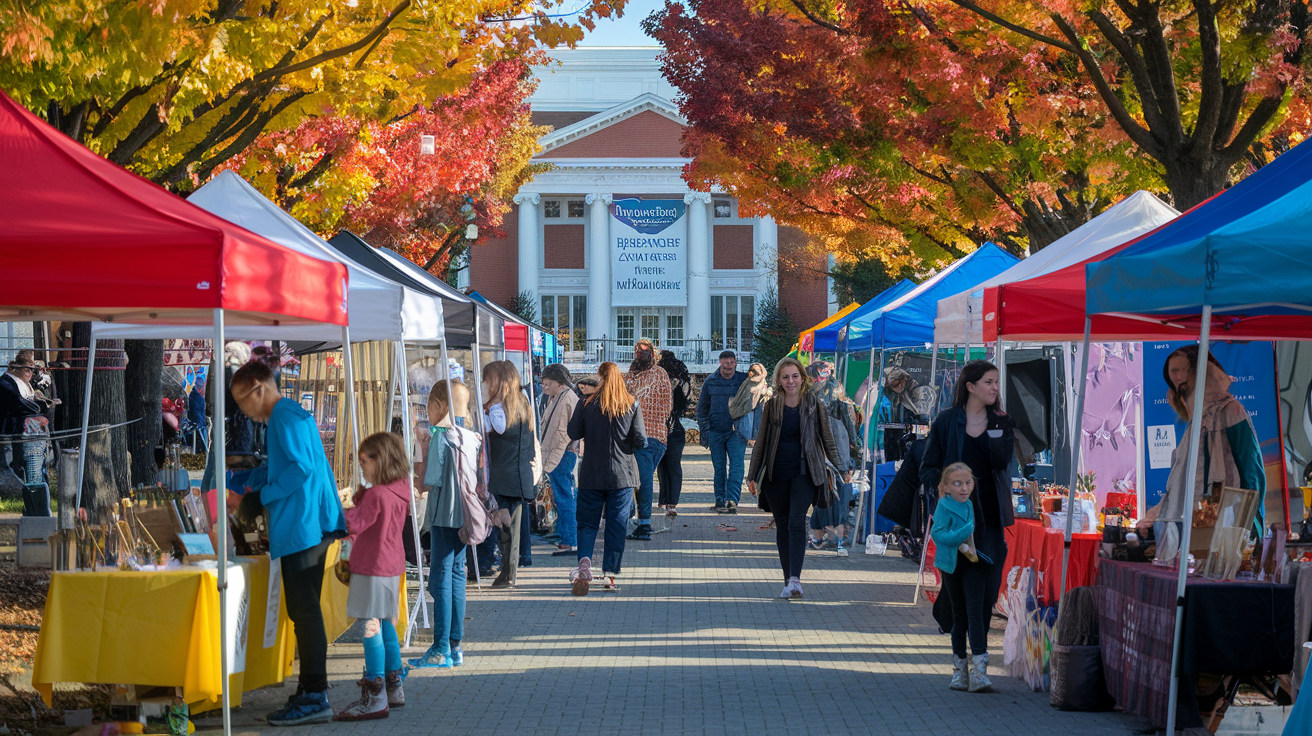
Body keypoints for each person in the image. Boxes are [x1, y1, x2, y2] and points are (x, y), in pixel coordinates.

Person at [230, 359, 346, 726]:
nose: (243, 411)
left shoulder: (282, 416)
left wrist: (262, 496)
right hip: (308, 523)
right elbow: (290, 465)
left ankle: (315, 694)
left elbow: (300, 469)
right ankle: (312, 689)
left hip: (303, 526)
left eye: (241, 401)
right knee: (303, 612)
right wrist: (251, 482)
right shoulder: (290, 414)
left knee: (304, 612)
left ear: (258, 389)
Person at [918, 360, 1015, 693]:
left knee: (985, 597)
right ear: (971, 386)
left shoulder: (1001, 422)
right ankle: (971, 668)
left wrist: (1000, 431)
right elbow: (928, 467)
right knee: (968, 601)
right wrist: (944, 489)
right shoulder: (947, 422)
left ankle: (968, 666)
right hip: (957, 523)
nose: (994, 388)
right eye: (989, 382)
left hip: (990, 522)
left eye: (997, 383)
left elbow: (1002, 465)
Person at [1136, 346, 1266, 542]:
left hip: (1229, 531)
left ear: (1200, 371)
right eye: (1174, 371)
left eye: (1184, 369)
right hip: (1194, 534)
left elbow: (1251, 472)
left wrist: (1249, 526)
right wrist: (1155, 516)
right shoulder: (1194, 425)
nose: (1179, 376)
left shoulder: (1232, 412)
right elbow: (1180, 484)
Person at [746, 357, 847, 599]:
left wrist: (842, 466)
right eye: (785, 377)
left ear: (802, 378)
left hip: (805, 473)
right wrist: (752, 474)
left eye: (794, 376)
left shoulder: (813, 404)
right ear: (779, 381)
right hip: (775, 475)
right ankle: (787, 579)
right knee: (782, 525)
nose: (790, 381)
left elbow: (827, 439)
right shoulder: (772, 406)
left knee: (795, 520)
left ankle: (795, 578)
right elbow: (761, 442)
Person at [334, 432, 411, 721]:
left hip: (372, 565)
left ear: (381, 461)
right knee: (387, 626)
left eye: (365, 461)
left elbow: (355, 522)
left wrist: (334, 513)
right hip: (391, 564)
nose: (361, 467)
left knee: (370, 628)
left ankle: (375, 692)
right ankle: (394, 685)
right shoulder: (398, 488)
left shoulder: (378, 494)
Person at [567, 361, 645, 595]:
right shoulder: (631, 404)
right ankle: (610, 575)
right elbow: (641, 440)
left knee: (588, 522)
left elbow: (573, 432)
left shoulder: (587, 403)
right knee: (616, 525)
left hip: (591, 473)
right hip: (621, 476)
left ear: (599, 378)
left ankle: (584, 563)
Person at [411, 380, 472, 670]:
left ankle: (440, 647)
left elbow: (428, 481)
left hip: (442, 515)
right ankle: (456, 645)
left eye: (429, 407)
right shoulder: (470, 435)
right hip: (466, 515)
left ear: (439, 406)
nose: (428, 413)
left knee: (440, 579)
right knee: (458, 576)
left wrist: (422, 449)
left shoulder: (441, 436)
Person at [931, 462, 991, 693]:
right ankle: (959, 670)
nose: (964, 488)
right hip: (952, 563)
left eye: (968, 482)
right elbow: (939, 534)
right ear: (946, 487)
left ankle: (980, 670)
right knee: (959, 614)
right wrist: (962, 532)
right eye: (957, 483)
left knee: (975, 612)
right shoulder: (944, 506)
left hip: (974, 562)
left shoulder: (975, 503)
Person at [481, 360, 535, 589]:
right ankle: (510, 570)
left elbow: (497, 428)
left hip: (505, 476)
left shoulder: (500, 406)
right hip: (520, 475)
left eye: (488, 380)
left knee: (505, 526)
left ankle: (508, 573)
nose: (485, 384)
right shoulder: (523, 402)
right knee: (511, 525)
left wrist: (486, 410)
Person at [807, 361, 857, 556]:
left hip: (834, 456)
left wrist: (850, 465)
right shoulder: (837, 399)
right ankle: (832, 538)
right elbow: (853, 437)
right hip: (832, 456)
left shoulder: (831, 402)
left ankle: (829, 538)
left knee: (832, 497)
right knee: (833, 497)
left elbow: (851, 437)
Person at [624, 339, 672, 541]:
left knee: (642, 480)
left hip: (650, 435)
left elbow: (666, 405)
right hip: (636, 435)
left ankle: (644, 523)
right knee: (636, 479)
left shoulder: (659, 374)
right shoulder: (629, 376)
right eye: (639, 351)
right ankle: (636, 518)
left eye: (646, 351)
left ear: (653, 354)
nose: (642, 354)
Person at [698, 350, 748, 513]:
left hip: (737, 432)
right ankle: (719, 499)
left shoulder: (743, 380)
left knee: (736, 466)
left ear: (735, 363)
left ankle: (732, 500)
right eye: (726, 362)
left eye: (732, 362)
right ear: (720, 362)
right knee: (719, 467)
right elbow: (702, 408)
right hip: (716, 430)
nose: (729, 365)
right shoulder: (710, 381)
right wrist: (706, 430)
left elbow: (758, 392)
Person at [540, 364, 580, 556]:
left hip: (562, 454)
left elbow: (562, 433)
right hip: (559, 454)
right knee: (562, 496)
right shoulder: (557, 398)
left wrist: (551, 460)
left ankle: (570, 540)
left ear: (559, 383)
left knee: (565, 497)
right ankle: (565, 535)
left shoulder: (567, 400)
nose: (544, 387)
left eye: (547, 384)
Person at [657, 351, 691, 517]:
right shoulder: (684, 381)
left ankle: (664, 500)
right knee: (674, 465)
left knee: (661, 465)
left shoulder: (658, 379)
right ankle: (671, 503)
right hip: (676, 427)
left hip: (658, 427)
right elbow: (685, 403)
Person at [0, 357, 43, 481]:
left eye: (32, 371)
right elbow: (18, 402)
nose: (30, 374)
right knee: (16, 454)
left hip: (17, 424)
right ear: (16, 370)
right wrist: (36, 409)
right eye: (27, 370)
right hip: (10, 424)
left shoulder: (21, 382)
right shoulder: (7, 382)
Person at [731, 362, 772, 448]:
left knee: (759, 420)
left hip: (759, 403)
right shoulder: (748, 381)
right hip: (747, 405)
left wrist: (763, 391)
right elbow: (744, 393)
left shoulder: (762, 380)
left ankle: (756, 438)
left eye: (753, 371)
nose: (750, 373)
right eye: (750, 370)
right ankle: (749, 438)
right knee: (748, 422)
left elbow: (764, 391)